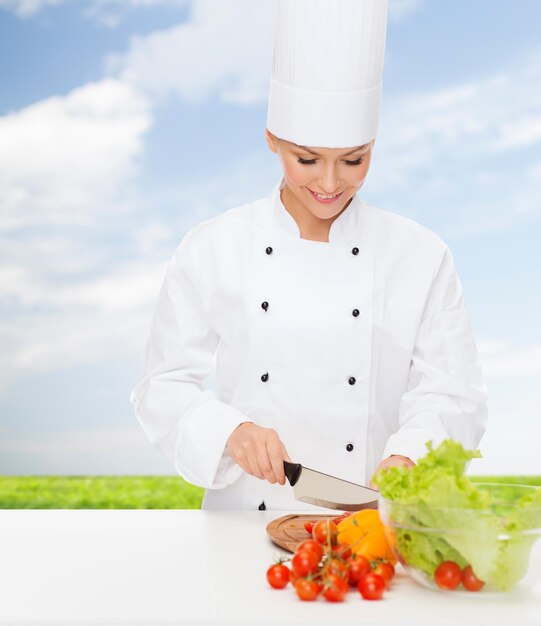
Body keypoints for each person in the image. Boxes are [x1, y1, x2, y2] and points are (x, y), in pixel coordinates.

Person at [130, 0, 487, 511]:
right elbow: (161, 387)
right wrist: (230, 431)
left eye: (354, 160)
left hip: (368, 526)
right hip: (242, 527)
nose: (328, 183)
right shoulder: (212, 247)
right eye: (306, 159)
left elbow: (455, 393)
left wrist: (411, 455)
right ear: (272, 139)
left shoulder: (421, 255)